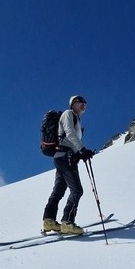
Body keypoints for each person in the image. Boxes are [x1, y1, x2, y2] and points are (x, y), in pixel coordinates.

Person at [42, 95, 95, 235]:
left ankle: (49, 220)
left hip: (63, 157)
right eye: (79, 101)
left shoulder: (75, 118)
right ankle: (67, 222)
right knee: (77, 190)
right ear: (72, 104)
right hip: (65, 157)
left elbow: (69, 140)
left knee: (59, 190)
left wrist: (80, 153)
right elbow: (70, 134)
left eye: (84, 102)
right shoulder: (68, 114)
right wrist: (82, 149)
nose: (83, 104)